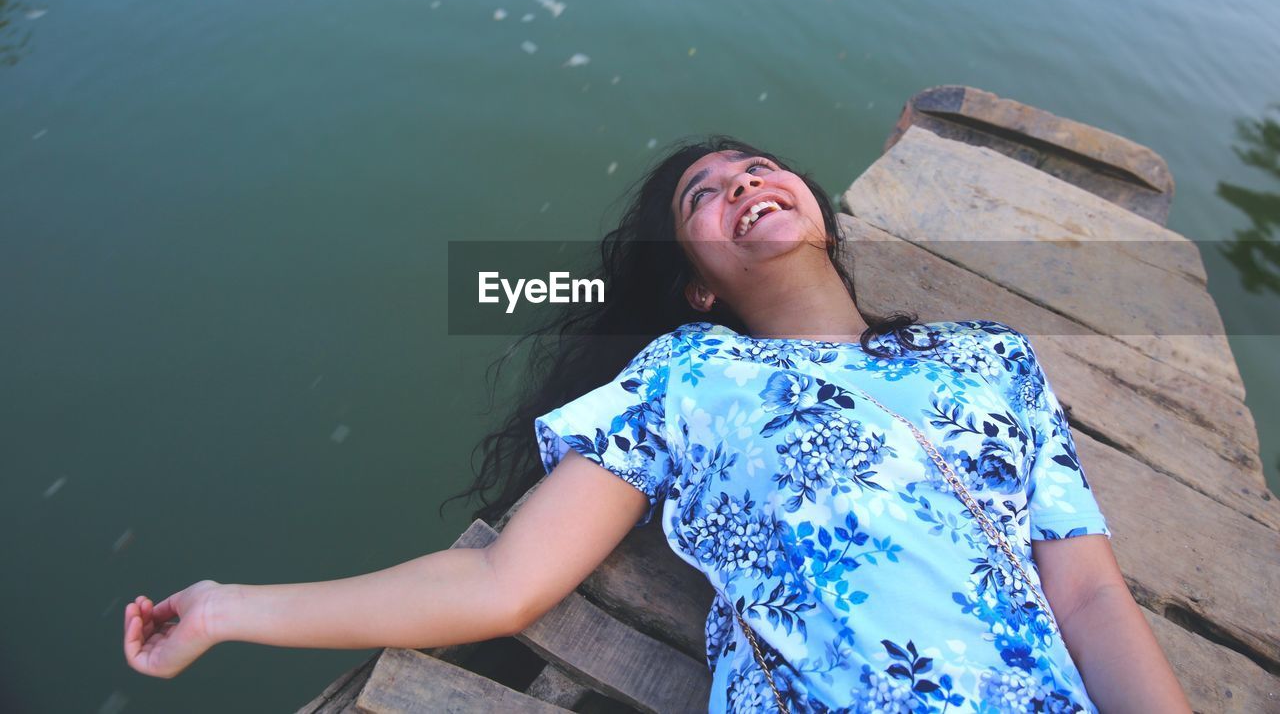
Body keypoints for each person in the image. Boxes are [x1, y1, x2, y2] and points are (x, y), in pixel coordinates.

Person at [123, 137, 1190, 713]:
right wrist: (222, 610)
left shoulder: (986, 354)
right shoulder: (685, 373)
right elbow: (502, 585)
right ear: (693, 287)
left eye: (755, 169)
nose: (742, 184)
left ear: (813, 206)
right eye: (703, 195)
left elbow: (1088, 590)